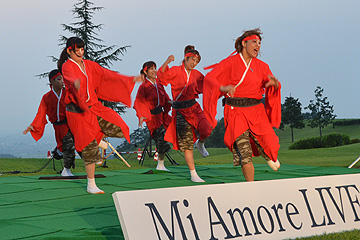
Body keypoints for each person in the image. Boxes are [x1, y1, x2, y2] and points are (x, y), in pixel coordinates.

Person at [58, 37, 143, 194]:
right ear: (69, 51)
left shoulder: (89, 65)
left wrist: (130, 79)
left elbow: (106, 75)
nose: (81, 53)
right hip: (78, 113)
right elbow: (70, 79)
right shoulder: (67, 66)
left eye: (83, 50)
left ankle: (96, 140)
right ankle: (91, 184)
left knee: (118, 126)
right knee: (89, 148)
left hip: (94, 107)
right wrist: (75, 84)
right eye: (77, 50)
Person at [203, 28, 281, 182]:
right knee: (244, 153)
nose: (257, 46)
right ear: (244, 43)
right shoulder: (230, 62)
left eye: (259, 43)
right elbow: (210, 78)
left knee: (270, 143)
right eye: (254, 42)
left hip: (256, 111)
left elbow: (271, 84)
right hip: (235, 112)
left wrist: (274, 84)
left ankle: (269, 155)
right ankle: (250, 186)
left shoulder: (262, 66)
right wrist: (223, 87)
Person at [157, 45, 212, 182]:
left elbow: (208, 85)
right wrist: (167, 62)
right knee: (187, 145)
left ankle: (200, 143)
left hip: (194, 108)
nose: (193, 63)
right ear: (186, 58)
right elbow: (162, 76)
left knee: (207, 129)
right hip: (180, 111)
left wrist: (223, 88)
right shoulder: (176, 70)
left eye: (196, 62)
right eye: (192, 60)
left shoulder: (196, 74)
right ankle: (193, 174)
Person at [23, 69, 76, 177]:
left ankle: (84, 164)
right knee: (68, 145)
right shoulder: (47, 97)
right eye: (59, 79)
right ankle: (66, 169)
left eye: (63, 79)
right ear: (52, 81)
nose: (62, 82)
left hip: (71, 123)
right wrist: (33, 126)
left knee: (76, 145)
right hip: (59, 126)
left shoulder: (67, 93)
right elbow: (41, 113)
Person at [133, 61, 172, 171]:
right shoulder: (143, 87)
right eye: (151, 69)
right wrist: (141, 116)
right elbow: (138, 103)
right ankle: (160, 165)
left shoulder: (158, 84)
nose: (154, 71)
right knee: (161, 137)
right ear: (145, 71)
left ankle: (161, 164)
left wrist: (171, 103)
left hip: (161, 114)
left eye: (155, 68)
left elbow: (165, 97)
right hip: (151, 117)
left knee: (163, 138)